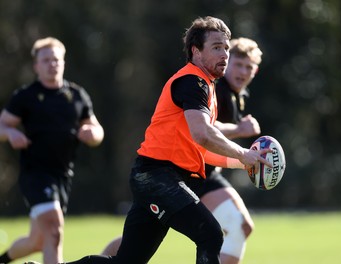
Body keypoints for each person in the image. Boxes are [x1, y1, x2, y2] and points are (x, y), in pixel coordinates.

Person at [44, 16, 270, 264]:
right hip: (158, 178)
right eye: (217, 47)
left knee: (126, 262)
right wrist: (242, 152)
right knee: (211, 234)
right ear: (196, 51)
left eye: (226, 48)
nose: (224, 54)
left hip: (155, 178)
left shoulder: (206, 86)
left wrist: (245, 163)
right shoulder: (192, 81)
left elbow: (201, 149)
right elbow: (203, 134)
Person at [100, 37, 263, 264]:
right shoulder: (210, 87)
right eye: (238, 63)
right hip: (184, 172)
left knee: (133, 253)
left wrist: (243, 160)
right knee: (216, 232)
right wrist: (240, 137)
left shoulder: (232, 94)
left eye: (249, 66)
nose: (242, 71)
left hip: (193, 170)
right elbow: (204, 130)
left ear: (256, 71)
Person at [0, 37, 104, 264]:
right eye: (46, 60)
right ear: (36, 65)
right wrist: (10, 133)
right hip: (35, 173)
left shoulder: (76, 95)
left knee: (37, 241)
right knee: (55, 230)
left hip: (62, 175)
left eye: (56, 59)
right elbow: (2, 124)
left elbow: (97, 130)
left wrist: (91, 133)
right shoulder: (25, 96)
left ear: (63, 63)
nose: (52, 64)